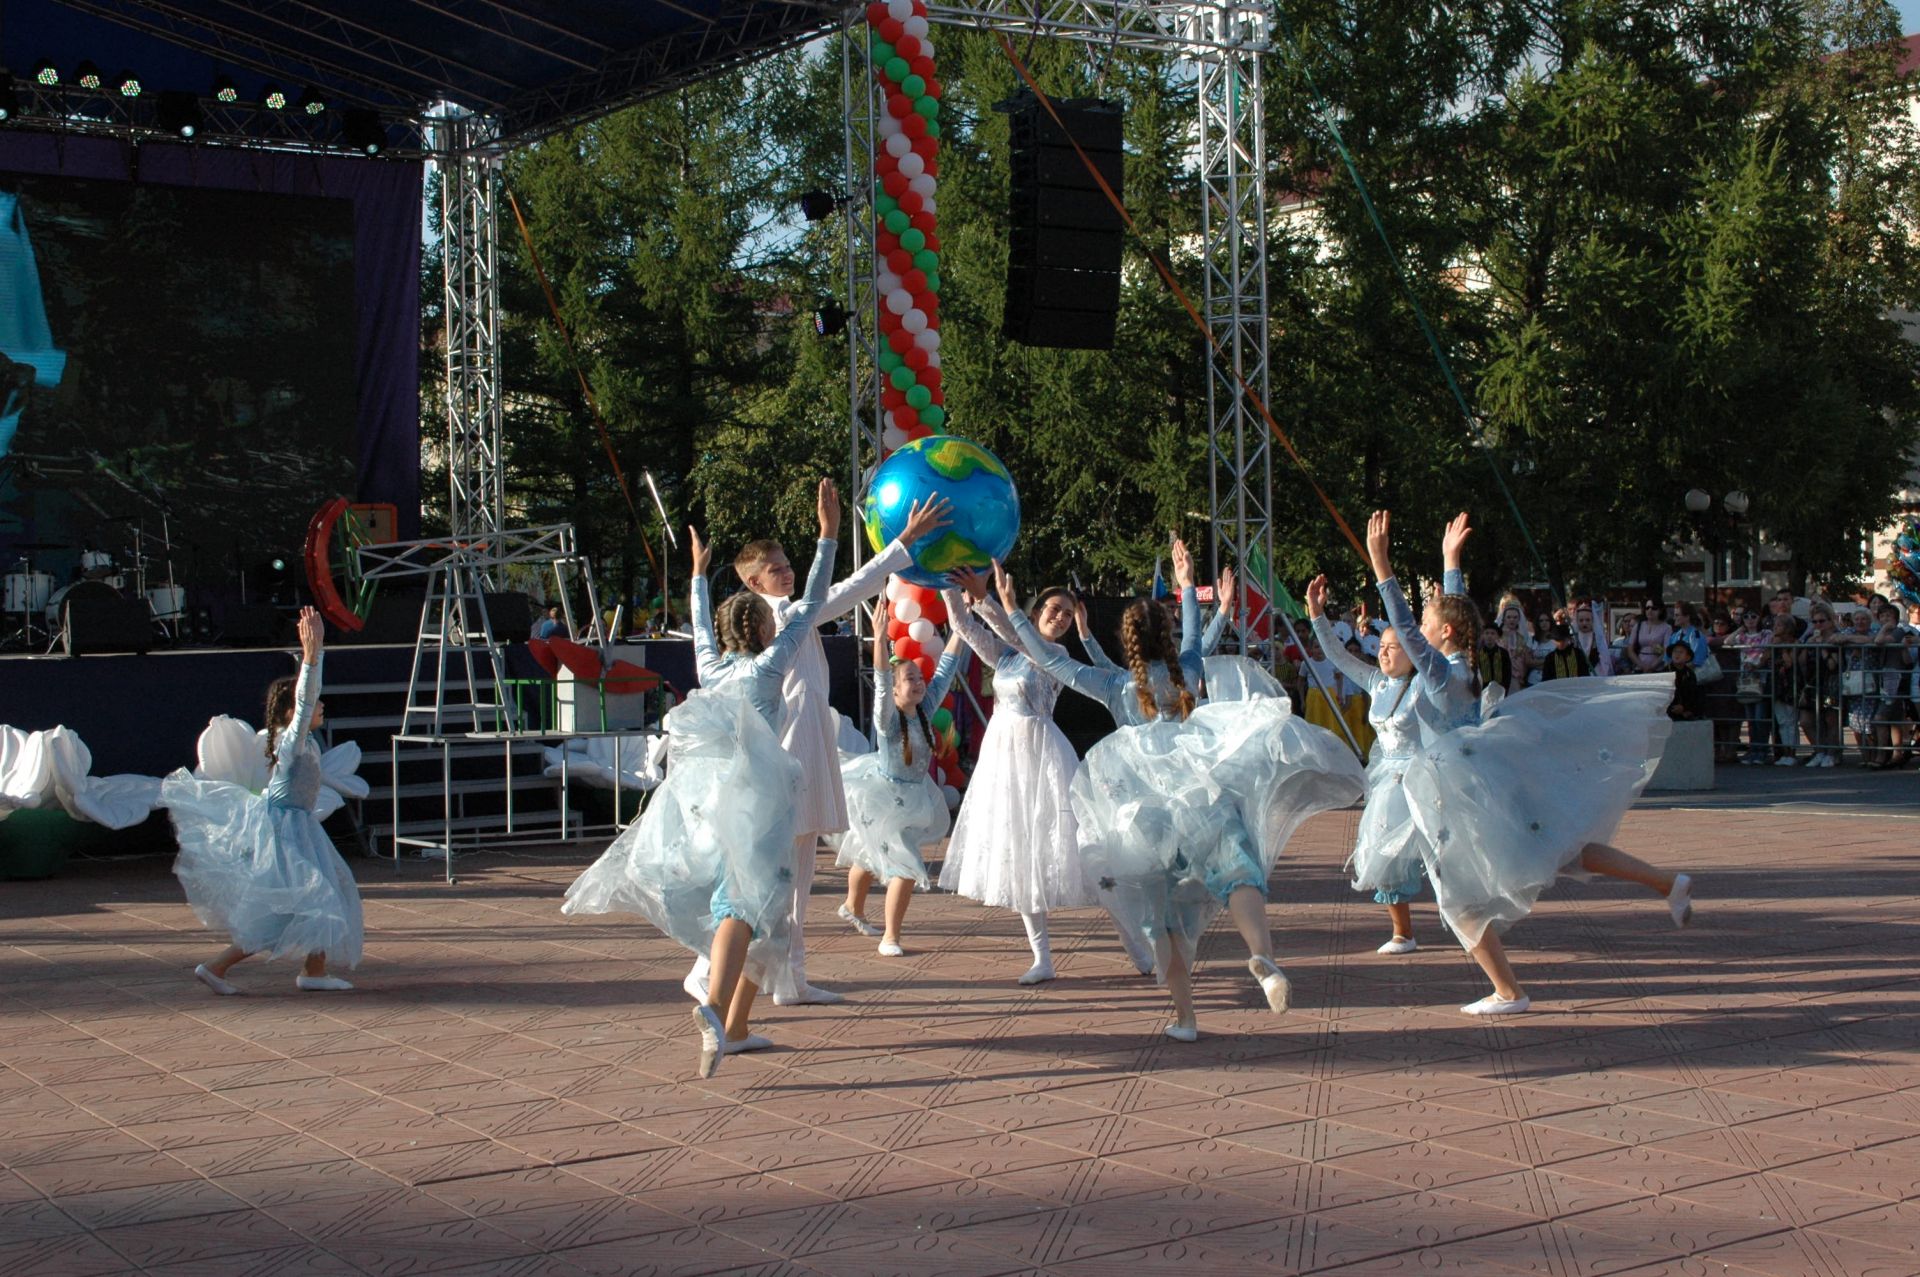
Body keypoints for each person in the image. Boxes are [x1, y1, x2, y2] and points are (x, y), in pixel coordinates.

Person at [1352, 512, 1691, 1015]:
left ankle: (1510, 992)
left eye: (1425, 627)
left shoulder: (1442, 674)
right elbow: (1451, 614)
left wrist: (1382, 565)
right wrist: (1450, 563)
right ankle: (1669, 884)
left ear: (1441, 633)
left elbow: (1408, 622)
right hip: (1482, 776)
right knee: (1568, 850)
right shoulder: (1460, 663)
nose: (1413, 633)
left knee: (1460, 900)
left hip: (1456, 793)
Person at [1023, 553, 1362, 1041]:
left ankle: (1186, 1018)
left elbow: (1052, 659)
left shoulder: (1117, 684)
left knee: (1161, 918)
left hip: (1147, 814)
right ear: (1166, 636)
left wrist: (1015, 611)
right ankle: (1262, 955)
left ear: (1127, 643)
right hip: (1201, 793)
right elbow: (1194, 638)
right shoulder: (1186, 668)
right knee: (1237, 869)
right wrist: (1189, 587)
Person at [563, 480, 839, 1076]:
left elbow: (700, 628)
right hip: (762, 805)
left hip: (718, 804)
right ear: (765, 630)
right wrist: (827, 535)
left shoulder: (712, 670)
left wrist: (695, 573)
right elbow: (813, 600)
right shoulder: (769, 668)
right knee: (750, 906)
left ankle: (737, 1028)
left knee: (765, 915)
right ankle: (716, 1010)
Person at [684, 490, 953, 1007]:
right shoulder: (781, 620)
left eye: (788, 564)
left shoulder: (788, 616)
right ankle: (709, 972)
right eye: (775, 568)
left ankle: (791, 978)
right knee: (763, 879)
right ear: (752, 582)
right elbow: (850, 587)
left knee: (796, 875)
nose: (786, 572)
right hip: (785, 757)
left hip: (808, 750)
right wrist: (898, 541)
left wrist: (697, 577)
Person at [162, 607, 362, 996]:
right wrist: (312, 656)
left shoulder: (301, 742)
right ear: (292, 712)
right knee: (296, 903)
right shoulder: (292, 740)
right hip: (285, 835)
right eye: (313, 705)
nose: (321, 707)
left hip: (299, 829)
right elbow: (307, 701)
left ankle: (313, 970)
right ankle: (217, 966)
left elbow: (308, 704)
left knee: (326, 892)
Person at [1310, 512, 1476, 956]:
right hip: (1390, 778)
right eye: (1379, 647)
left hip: (1431, 774)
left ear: (1414, 652)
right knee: (1386, 852)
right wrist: (1318, 616)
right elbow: (1338, 658)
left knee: (1447, 857)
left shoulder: (1432, 678)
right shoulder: (1379, 683)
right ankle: (1403, 931)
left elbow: (1451, 625)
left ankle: (1471, 924)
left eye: (1393, 647)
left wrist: (1440, 564)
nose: (1384, 653)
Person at [938, 570, 1100, 984]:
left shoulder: (1057, 657)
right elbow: (962, 628)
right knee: (1020, 855)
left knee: (1085, 853)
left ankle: (1137, 942)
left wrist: (986, 598)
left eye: (1066, 613)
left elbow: (1020, 637)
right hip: (1005, 761)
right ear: (1036, 609)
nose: (1060, 617)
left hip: (1043, 757)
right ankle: (1042, 957)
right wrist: (945, 581)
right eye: (1053, 608)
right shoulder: (1007, 656)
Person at [835, 608, 968, 955]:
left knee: (866, 854)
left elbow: (946, 669)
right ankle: (890, 937)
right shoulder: (888, 720)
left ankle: (853, 906)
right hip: (882, 797)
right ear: (895, 692)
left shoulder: (924, 710)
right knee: (906, 867)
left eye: (919, 677)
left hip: (913, 798)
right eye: (910, 678)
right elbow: (880, 683)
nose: (919, 682)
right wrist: (879, 639)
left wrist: (959, 628)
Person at [1726, 608, 1773, 764]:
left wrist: (1758, 665)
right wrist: (1741, 627)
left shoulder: (1766, 633)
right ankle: (1753, 750)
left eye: (1753, 616)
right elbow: (1728, 641)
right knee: (1750, 718)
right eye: (1746, 616)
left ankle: (1762, 750)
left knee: (1760, 717)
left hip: (1760, 678)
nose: (1750, 619)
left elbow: (1767, 651)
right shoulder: (1742, 636)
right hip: (1745, 680)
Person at [1628, 601, 1672, 673]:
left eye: (1654, 608)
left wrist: (1651, 667)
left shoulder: (1667, 628)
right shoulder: (1638, 626)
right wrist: (1642, 666)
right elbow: (1630, 650)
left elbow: (1666, 651)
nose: (1650, 610)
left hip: (1658, 669)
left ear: (1660, 610)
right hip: (1639, 668)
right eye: (1647, 608)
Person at [1666, 639, 1705, 721]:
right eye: (1675, 652)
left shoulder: (1690, 674)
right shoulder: (1665, 672)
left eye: (1681, 652)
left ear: (1687, 657)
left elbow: (1693, 695)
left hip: (1685, 712)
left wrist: (1685, 708)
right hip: (1667, 712)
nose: (1677, 654)